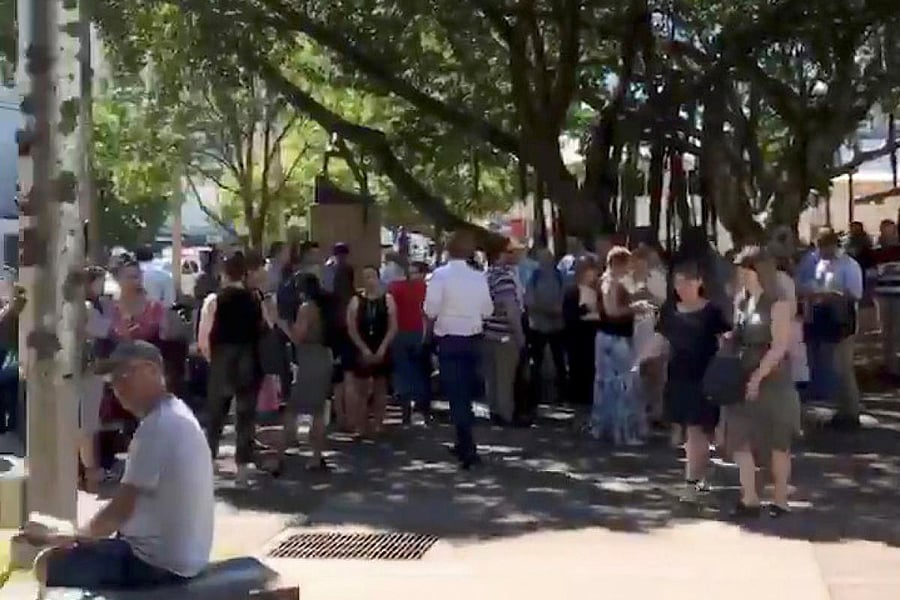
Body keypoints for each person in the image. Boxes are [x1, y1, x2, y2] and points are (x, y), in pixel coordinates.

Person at [34, 340, 214, 591]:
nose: (117, 387)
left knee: (47, 563)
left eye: (124, 375)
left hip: (156, 563)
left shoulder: (158, 426)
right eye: (111, 380)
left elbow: (120, 510)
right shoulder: (176, 414)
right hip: (181, 557)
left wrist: (77, 536)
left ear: (153, 371)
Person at [635, 261, 730, 500]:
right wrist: (641, 360)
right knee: (692, 431)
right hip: (678, 377)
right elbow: (660, 339)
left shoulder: (712, 312)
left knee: (696, 431)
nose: (682, 287)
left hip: (706, 378)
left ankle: (691, 484)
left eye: (687, 282)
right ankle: (700, 476)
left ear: (699, 283)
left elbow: (725, 342)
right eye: (678, 283)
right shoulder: (670, 311)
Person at [726, 246, 801, 518]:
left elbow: (779, 346)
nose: (740, 275)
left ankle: (780, 499)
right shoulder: (741, 302)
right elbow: (738, 334)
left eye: (744, 269)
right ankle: (749, 497)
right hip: (742, 375)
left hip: (773, 380)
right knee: (740, 437)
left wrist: (758, 377)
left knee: (777, 442)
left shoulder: (779, 304)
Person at [424, 230, 494, 469]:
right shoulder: (479, 277)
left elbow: (430, 309)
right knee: (466, 392)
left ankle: (467, 446)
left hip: (450, 339)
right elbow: (488, 310)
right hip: (473, 339)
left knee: (456, 394)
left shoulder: (440, 276)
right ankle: (463, 441)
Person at [198, 252, 264, 486]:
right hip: (247, 358)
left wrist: (211, 359)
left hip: (221, 358)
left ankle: (208, 464)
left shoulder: (214, 300)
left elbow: (203, 338)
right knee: (245, 416)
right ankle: (242, 472)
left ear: (223, 273)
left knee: (215, 415)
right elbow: (261, 330)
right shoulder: (255, 298)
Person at [798, 228, 863, 429]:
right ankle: (841, 411)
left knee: (844, 366)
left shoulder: (849, 265)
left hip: (843, 318)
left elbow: (855, 293)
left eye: (823, 247)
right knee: (833, 365)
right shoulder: (819, 263)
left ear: (833, 245)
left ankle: (851, 413)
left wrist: (831, 294)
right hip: (824, 318)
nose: (821, 253)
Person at [591, 247, 638, 444]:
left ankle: (603, 428)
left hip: (604, 337)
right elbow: (612, 311)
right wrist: (635, 308)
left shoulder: (603, 281)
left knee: (604, 384)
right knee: (623, 385)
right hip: (617, 337)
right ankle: (622, 433)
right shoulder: (612, 283)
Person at [345, 265, 398, 436]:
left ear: (378, 278)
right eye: (366, 277)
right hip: (362, 346)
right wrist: (363, 348)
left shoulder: (387, 299)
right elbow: (351, 327)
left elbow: (393, 326)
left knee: (380, 387)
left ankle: (378, 422)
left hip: (381, 345)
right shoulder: (356, 301)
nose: (369, 281)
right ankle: (361, 424)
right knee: (361, 389)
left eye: (372, 276)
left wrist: (383, 347)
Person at [81, 267, 114, 492]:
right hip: (88, 369)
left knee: (89, 423)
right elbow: (104, 330)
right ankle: (91, 472)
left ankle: (89, 471)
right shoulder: (88, 307)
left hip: (90, 368)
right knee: (88, 424)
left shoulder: (90, 305)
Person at [389, 261, 431, 424]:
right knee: (420, 372)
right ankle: (420, 410)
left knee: (403, 372)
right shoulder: (426, 289)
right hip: (418, 332)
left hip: (401, 333)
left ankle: (406, 412)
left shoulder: (396, 287)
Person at [524, 247, 567, 400]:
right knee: (537, 361)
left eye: (548, 258)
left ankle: (562, 393)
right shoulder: (534, 277)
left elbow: (564, 297)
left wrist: (558, 310)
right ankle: (535, 394)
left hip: (557, 326)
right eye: (543, 258)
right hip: (539, 326)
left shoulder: (559, 276)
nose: (546, 261)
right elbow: (529, 300)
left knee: (559, 361)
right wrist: (547, 310)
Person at [563, 258, 601, 407]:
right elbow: (569, 314)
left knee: (592, 365)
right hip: (578, 334)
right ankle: (577, 396)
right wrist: (585, 309)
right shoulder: (573, 291)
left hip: (593, 331)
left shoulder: (598, 291)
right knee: (578, 365)